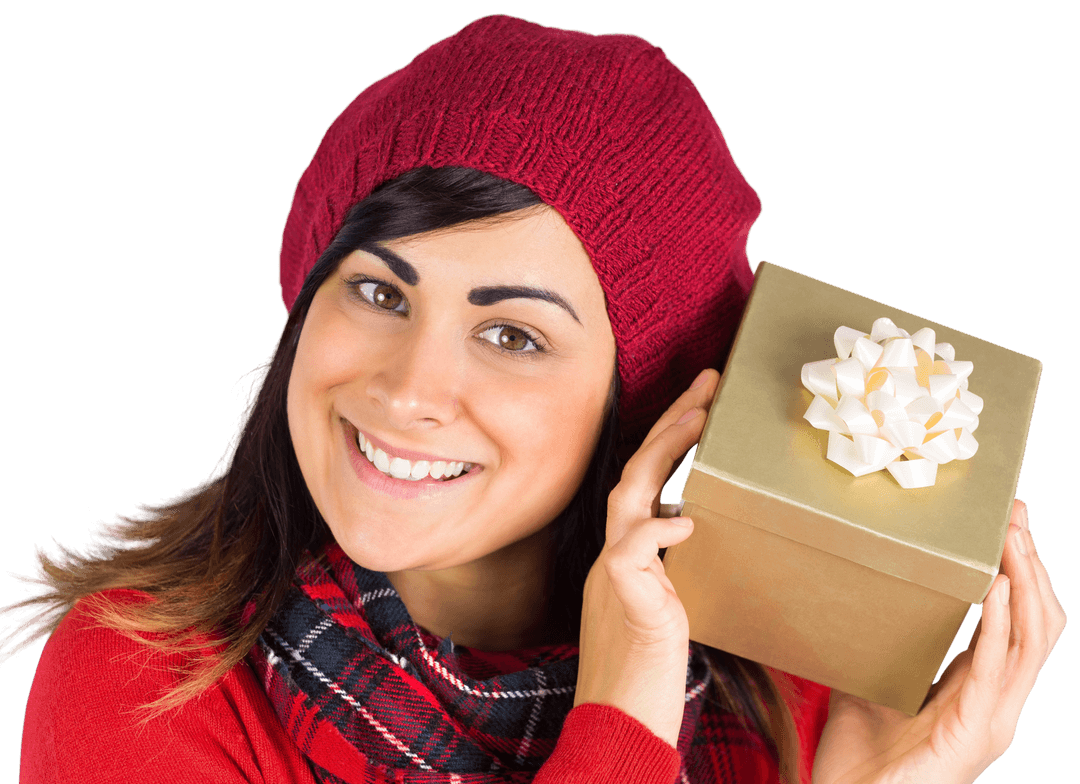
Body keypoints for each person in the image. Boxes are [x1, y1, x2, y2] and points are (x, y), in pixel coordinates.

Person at [6, 14, 1064, 784]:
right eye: (378, 290)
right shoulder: (144, 678)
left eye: (512, 334)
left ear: (644, 398)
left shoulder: (794, 697)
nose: (410, 389)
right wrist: (618, 728)